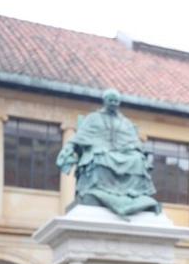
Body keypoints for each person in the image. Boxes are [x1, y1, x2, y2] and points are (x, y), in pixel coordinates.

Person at [56, 88, 161, 217]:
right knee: (100, 157)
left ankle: (132, 193)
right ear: (104, 101)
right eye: (111, 100)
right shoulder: (93, 118)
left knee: (137, 159)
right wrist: (70, 147)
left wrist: (133, 148)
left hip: (123, 151)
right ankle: (98, 192)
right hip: (100, 149)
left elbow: (133, 141)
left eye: (116, 101)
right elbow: (81, 136)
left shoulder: (125, 122)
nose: (113, 103)